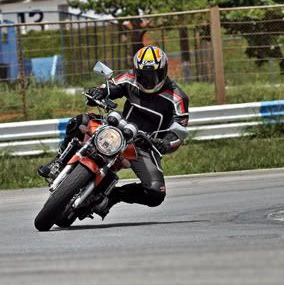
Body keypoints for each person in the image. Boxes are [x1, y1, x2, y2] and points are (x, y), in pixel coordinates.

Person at [37, 45, 189, 217]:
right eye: (142, 75)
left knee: (156, 192)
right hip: (117, 128)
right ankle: (58, 162)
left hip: (144, 145)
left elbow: (179, 130)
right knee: (80, 121)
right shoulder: (130, 79)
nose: (147, 80)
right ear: (135, 70)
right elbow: (112, 87)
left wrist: (163, 143)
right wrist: (99, 92)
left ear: (163, 71)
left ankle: (114, 195)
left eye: (152, 75)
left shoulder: (178, 97)